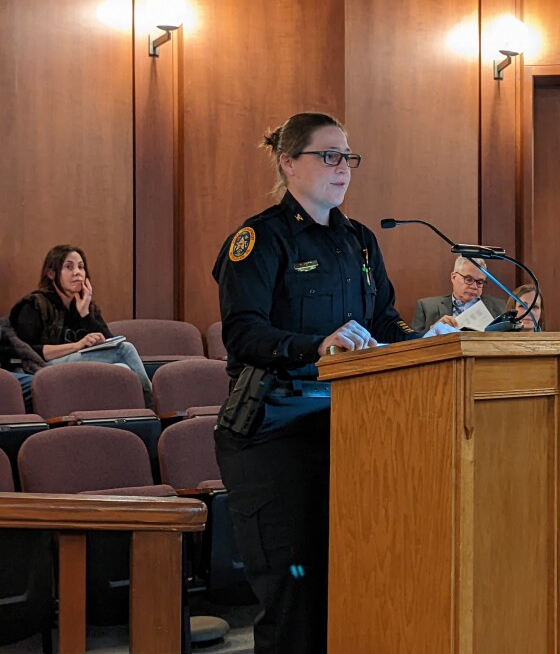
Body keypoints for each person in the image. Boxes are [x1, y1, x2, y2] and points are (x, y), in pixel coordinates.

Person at [212, 112, 452, 653]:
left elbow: (382, 321)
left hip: (350, 429)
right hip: (273, 434)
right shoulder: (260, 239)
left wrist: (428, 337)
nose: (343, 168)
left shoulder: (361, 241)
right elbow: (242, 332)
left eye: (348, 157)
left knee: (352, 583)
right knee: (294, 593)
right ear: (288, 162)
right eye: (329, 156)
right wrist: (314, 345)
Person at [9, 245, 153, 405]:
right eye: (68, 267)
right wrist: (78, 345)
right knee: (125, 349)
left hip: (76, 364)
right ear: (51, 273)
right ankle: (152, 404)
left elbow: (110, 343)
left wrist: (85, 315)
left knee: (122, 369)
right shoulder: (34, 305)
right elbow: (28, 352)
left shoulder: (87, 307)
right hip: (41, 367)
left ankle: (128, 419)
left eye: (81, 267)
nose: (77, 272)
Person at [410, 255, 507, 332]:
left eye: (480, 282)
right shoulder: (427, 307)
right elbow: (411, 345)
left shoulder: (500, 307)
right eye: (468, 279)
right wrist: (434, 330)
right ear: (454, 277)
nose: (474, 286)